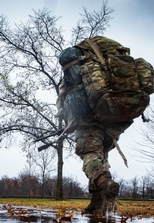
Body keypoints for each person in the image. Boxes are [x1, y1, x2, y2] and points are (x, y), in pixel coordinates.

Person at [56, 53, 133, 216]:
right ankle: (97, 202)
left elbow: (64, 100)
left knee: (89, 155)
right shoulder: (103, 68)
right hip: (113, 121)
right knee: (100, 157)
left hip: (88, 121)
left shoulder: (75, 73)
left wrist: (66, 117)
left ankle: (105, 183)